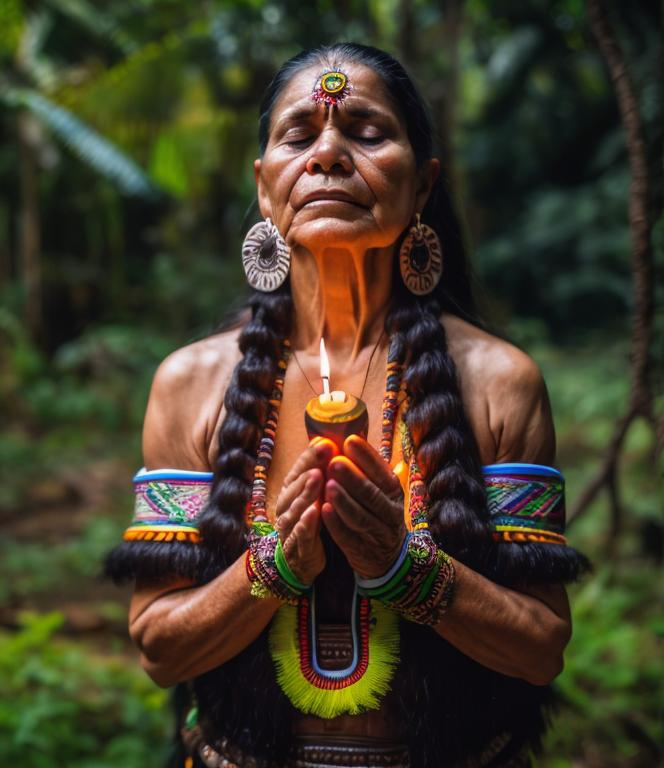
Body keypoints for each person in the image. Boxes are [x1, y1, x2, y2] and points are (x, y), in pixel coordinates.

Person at [106, 43, 589, 768]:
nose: (328, 153)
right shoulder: (191, 383)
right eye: (299, 135)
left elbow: (540, 648)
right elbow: (160, 648)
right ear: (265, 185)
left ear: (422, 185)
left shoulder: (498, 382)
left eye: (366, 133)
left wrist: (404, 567)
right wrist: (274, 566)